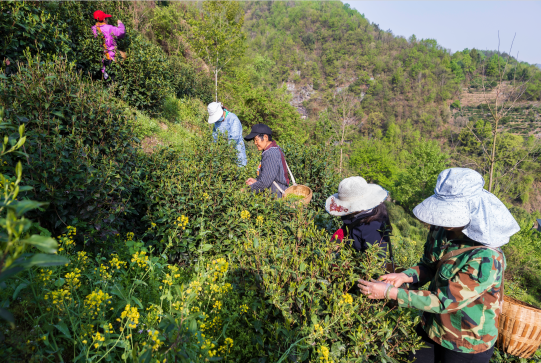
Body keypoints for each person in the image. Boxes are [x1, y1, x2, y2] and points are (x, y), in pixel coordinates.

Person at [358, 168, 520, 363]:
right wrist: (406, 276)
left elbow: (445, 301)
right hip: (432, 327)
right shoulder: (442, 229)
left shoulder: (486, 257)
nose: (444, 221)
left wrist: (389, 293)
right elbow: (430, 265)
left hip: (466, 344)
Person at [325, 176, 390, 258]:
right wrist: (337, 239)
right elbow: (347, 227)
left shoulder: (373, 228)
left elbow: (376, 263)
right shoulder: (357, 215)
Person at [244, 124, 289, 197]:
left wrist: (246, 191)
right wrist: (256, 181)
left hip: (277, 198)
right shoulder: (272, 150)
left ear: (265, 137)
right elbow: (270, 177)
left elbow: (264, 183)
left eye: (256, 140)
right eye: (254, 141)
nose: (255, 143)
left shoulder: (271, 153)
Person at [208, 102, 247, 167]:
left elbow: (235, 137)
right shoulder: (217, 122)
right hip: (223, 151)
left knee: (239, 167)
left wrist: (226, 148)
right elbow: (214, 135)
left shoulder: (233, 118)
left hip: (237, 149)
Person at [91, 10, 126, 80]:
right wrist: (120, 24)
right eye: (106, 18)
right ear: (104, 19)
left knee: (106, 79)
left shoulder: (93, 29)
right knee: (114, 79)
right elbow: (121, 32)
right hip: (111, 58)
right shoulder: (109, 28)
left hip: (101, 59)